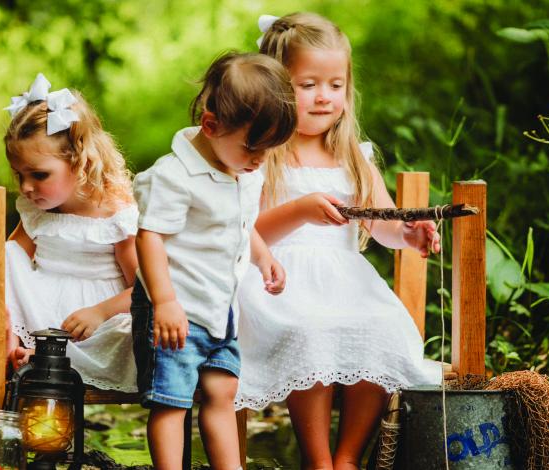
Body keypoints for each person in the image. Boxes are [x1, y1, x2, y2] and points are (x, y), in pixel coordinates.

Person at [236, 13, 442, 469]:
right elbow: (244, 234)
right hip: (277, 280)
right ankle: (318, 459)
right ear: (276, 87)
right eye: (308, 84)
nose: (324, 97)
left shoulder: (353, 154)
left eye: (336, 84)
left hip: (344, 277)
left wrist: (409, 233)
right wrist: (300, 210)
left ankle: (347, 456)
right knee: (312, 331)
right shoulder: (264, 153)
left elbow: (380, 222)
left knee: (381, 330)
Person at [0, 73, 138, 392]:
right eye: (19, 175)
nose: (26, 187)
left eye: (39, 175)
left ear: (79, 160)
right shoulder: (37, 212)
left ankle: (44, 357)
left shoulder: (116, 216)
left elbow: (144, 290)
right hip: (44, 311)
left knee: (124, 336)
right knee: (9, 254)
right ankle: (12, 341)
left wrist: (99, 312)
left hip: (98, 319)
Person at [131, 52, 296, 470]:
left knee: (223, 391)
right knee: (172, 398)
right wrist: (165, 301)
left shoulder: (242, 168)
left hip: (219, 310)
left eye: (269, 150)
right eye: (253, 147)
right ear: (210, 125)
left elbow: (241, 222)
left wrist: (263, 257)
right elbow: (149, 237)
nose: (259, 160)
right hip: (176, 309)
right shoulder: (174, 176)